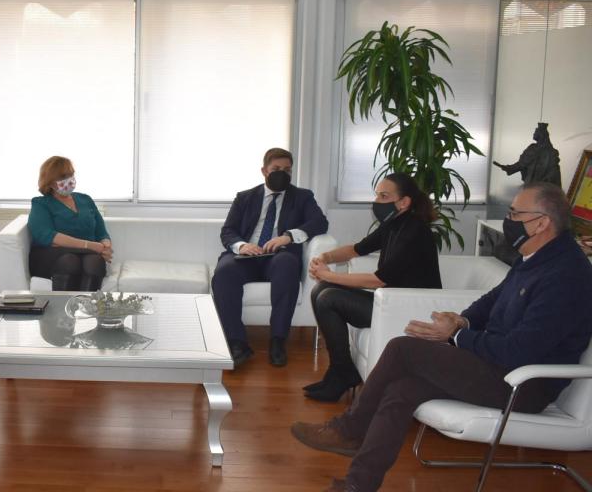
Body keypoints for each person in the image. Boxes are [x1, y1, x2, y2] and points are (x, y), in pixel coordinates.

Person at [291, 183, 592, 492]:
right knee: (402, 390)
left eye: (516, 213)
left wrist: (458, 335)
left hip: (523, 385)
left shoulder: (566, 275)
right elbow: (491, 300)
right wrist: (461, 319)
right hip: (495, 366)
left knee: (402, 349)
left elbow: (519, 351)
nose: (509, 218)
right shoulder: (533, 258)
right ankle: (357, 485)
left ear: (541, 222)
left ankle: (350, 428)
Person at [304, 173, 441, 402]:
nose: (377, 201)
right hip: (389, 302)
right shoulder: (394, 224)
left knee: (328, 296)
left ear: (404, 202)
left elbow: (378, 280)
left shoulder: (414, 231)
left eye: (384, 196)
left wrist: (328, 275)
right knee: (321, 290)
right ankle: (341, 370)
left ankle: (342, 373)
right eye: (377, 194)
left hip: (408, 310)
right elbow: (356, 249)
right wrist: (325, 257)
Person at [212, 148, 329, 367]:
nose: (282, 174)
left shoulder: (303, 197)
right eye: (276, 169)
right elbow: (227, 231)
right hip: (247, 256)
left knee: (287, 265)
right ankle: (237, 343)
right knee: (224, 272)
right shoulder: (245, 197)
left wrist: (288, 236)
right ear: (264, 170)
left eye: (287, 170)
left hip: (279, 256)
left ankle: (277, 340)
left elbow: (320, 223)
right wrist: (242, 245)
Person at [28, 156, 112, 291]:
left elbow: (101, 232)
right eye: (62, 178)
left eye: (71, 175)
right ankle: (63, 310)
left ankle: (86, 310)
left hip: (88, 254)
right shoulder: (41, 203)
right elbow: (46, 236)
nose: (68, 180)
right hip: (53, 255)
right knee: (70, 261)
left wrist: (106, 246)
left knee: (94, 262)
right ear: (49, 182)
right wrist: (89, 245)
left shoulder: (86, 199)